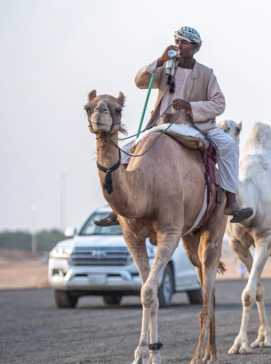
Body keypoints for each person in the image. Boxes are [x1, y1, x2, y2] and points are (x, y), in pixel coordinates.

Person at [95, 26, 252, 226]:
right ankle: (117, 208)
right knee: (124, 152)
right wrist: (159, 61)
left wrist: (190, 107)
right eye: (177, 41)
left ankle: (231, 200)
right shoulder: (165, 68)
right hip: (162, 125)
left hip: (196, 126)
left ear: (195, 47)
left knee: (228, 145)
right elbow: (139, 81)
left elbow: (219, 103)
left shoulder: (206, 74)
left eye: (184, 42)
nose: (179, 45)